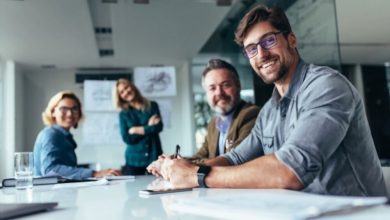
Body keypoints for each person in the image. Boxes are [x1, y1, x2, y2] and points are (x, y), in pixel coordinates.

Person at [155, 4, 388, 196]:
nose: (262, 54)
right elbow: (236, 157)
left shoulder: (326, 86)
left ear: (292, 40)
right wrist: (182, 169)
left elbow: (291, 171)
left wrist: (197, 175)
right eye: (252, 49)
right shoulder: (270, 111)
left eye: (268, 41)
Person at [147, 59, 260, 174]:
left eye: (226, 85)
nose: (219, 93)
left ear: (238, 86)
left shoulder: (250, 115)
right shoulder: (214, 123)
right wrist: (173, 160)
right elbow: (201, 155)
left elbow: (234, 158)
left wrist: (178, 166)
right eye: (212, 88)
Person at [33, 91, 121, 180]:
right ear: (53, 112)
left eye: (74, 109)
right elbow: (50, 170)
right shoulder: (51, 134)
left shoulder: (63, 136)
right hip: (48, 193)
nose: (70, 114)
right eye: (63, 109)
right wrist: (94, 173)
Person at [114, 78, 163, 175]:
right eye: (121, 92)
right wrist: (149, 126)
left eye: (126, 87)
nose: (126, 92)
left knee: (158, 187)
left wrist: (136, 129)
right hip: (133, 161)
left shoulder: (152, 106)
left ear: (132, 86)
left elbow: (158, 127)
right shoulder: (123, 114)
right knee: (132, 189)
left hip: (154, 157)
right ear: (120, 97)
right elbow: (127, 138)